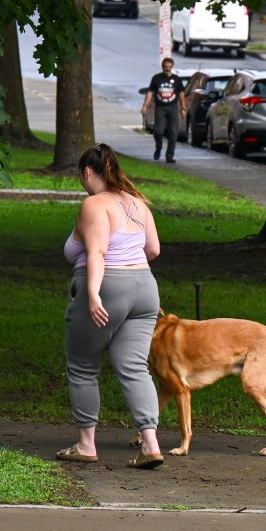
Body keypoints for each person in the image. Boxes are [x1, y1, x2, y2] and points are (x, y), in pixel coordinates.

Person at [58, 143, 164, 469]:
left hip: (107, 285)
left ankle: (86, 444)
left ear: (88, 172)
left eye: (81, 176)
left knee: (83, 366)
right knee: (133, 367)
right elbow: (154, 250)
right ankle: (150, 445)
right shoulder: (138, 203)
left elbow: (97, 252)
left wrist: (93, 294)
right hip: (145, 288)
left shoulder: (94, 204)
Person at [140, 57, 187, 163]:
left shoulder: (176, 79)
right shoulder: (157, 78)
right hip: (160, 107)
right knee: (158, 131)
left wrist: (183, 108)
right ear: (162, 67)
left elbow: (181, 94)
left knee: (173, 132)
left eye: (170, 67)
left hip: (173, 108)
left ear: (172, 67)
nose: (168, 69)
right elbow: (150, 93)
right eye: (166, 67)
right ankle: (158, 148)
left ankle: (169, 155)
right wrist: (145, 106)